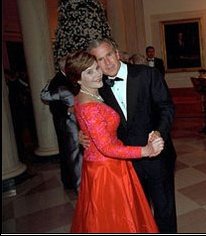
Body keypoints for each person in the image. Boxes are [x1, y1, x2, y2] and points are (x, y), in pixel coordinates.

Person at [65, 50, 163, 233]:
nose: (97, 74)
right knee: (116, 221)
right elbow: (107, 147)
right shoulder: (90, 105)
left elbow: (77, 111)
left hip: (105, 165)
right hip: (107, 170)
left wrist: (83, 130)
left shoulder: (89, 93)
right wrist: (145, 151)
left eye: (96, 68)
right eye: (89, 72)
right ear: (78, 79)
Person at [85, 37, 177, 233]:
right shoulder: (97, 88)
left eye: (109, 55)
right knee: (137, 213)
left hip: (157, 154)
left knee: (164, 210)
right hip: (126, 162)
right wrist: (81, 131)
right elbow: (85, 109)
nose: (108, 62)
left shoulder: (147, 74)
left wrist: (158, 132)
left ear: (117, 53)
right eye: (100, 59)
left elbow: (166, 107)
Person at [40, 56, 82, 192]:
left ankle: (71, 181)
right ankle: (75, 184)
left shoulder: (67, 79)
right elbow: (51, 101)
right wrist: (67, 110)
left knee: (70, 153)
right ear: (64, 67)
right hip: (66, 123)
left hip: (70, 122)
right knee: (71, 152)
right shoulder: (58, 81)